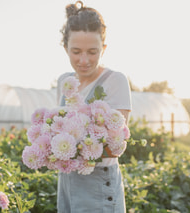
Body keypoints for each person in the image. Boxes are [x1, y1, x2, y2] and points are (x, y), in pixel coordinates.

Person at [56, 1, 132, 212]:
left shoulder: (114, 81)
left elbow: (115, 147)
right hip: (67, 182)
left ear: (103, 49)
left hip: (99, 185)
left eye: (92, 52)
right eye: (76, 51)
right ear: (65, 48)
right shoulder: (64, 81)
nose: (84, 60)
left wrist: (63, 149)